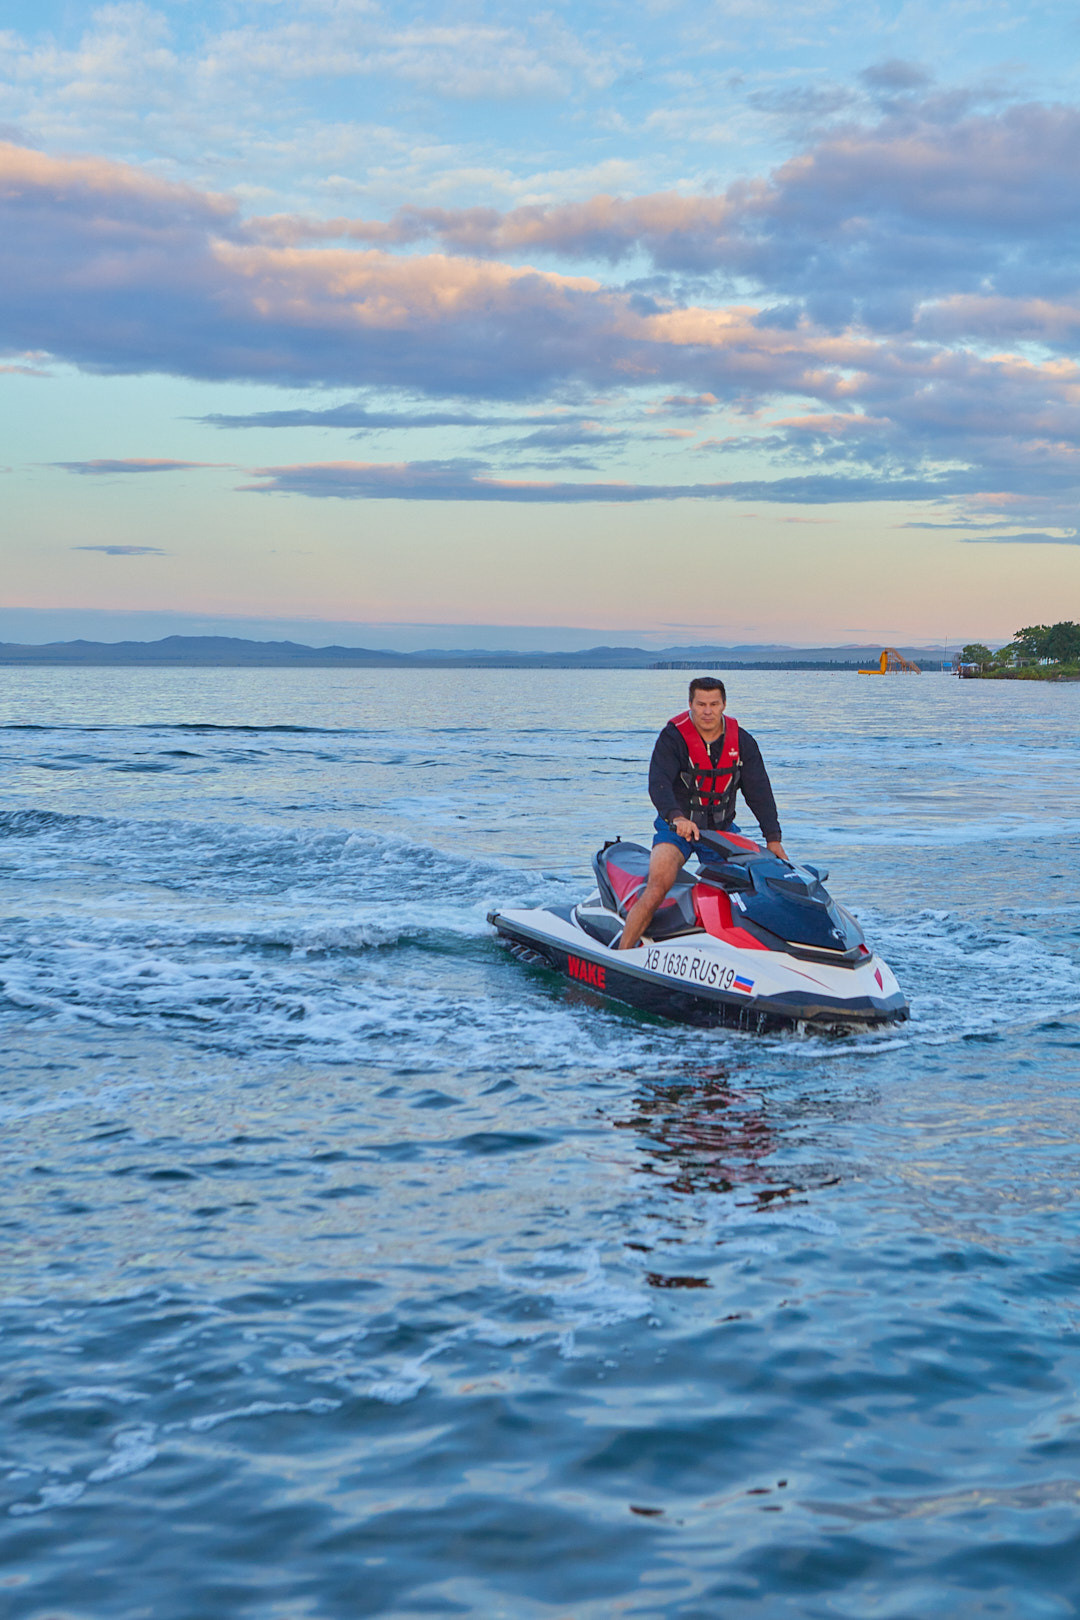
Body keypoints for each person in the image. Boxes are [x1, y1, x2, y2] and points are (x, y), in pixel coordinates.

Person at [617, 676, 788, 950]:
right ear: (690, 705)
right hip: (676, 829)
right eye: (701, 704)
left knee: (755, 890)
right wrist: (676, 817)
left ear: (724, 705)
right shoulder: (672, 738)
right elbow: (658, 784)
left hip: (721, 832)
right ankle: (622, 954)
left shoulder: (742, 741)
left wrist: (773, 838)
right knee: (658, 887)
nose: (707, 711)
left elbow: (760, 793)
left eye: (713, 704)